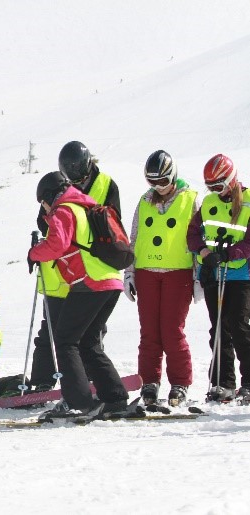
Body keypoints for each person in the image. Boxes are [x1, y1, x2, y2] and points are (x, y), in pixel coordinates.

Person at [27, 171, 129, 417]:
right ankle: (114, 397)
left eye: (43, 201)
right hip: (111, 281)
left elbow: (56, 245)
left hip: (89, 283)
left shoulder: (64, 210)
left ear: (51, 195)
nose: (44, 207)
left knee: (65, 341)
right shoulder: (85, 206)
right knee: (88, 342)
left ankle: (79, 403)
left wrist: (33, 254)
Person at [123, 150, 197, 407]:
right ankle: (150, 382)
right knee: (149, 332)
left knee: (171, 331)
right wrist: (129, 272)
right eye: (153, 183)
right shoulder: (144, 201)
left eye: (163, 182)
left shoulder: (191, 199)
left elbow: (198, 239)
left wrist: (199, 276)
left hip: (178, 272)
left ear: (173, 176)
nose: (158, 188)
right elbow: (134, 238)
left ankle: (180, 382)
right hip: (146, 273)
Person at [187, 154, 250, 405]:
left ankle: (248, 383)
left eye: (219, 186)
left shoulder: (247, 202)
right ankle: (222, 383)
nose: (215, 191)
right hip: (214, 273)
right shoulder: (209, 203)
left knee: (240, 326)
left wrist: (229, 253)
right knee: (219, 329)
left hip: (241, 274)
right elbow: (193, 234)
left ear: (231, 179)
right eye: (211, 186)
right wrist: (203, 253)